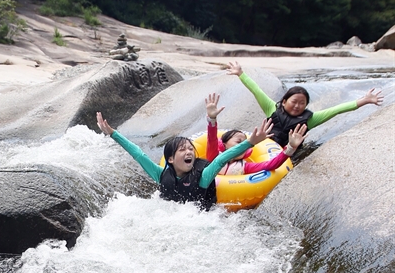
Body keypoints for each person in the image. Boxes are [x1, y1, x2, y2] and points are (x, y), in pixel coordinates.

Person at [95, 111, 274, 210]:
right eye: (183, 150)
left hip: (200, 219)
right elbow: (138, 155)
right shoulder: (160, 174)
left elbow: (222, 159)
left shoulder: (203, 176)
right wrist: (113, 134)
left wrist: (250, 143)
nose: (189, 152)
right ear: (170, 159)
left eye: (190, 149)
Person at [227, 61, 384, 147]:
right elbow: (257, 90)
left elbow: (336, 110)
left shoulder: (310, 119)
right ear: (284, 101)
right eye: (294, 102)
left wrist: (365, 100)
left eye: (302, 103)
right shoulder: (271, 108)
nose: (297, 106)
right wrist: (241, 74)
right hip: (263, 148)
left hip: (284, 154)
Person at [204, 93, 308, 175]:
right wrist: (212, 119)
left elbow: (271, 165)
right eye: (238, 141)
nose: (243, 146)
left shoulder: (245, 167)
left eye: (245, 143)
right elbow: (211, 139)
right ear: (224, 144)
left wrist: (291, 147)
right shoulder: (213, 156)